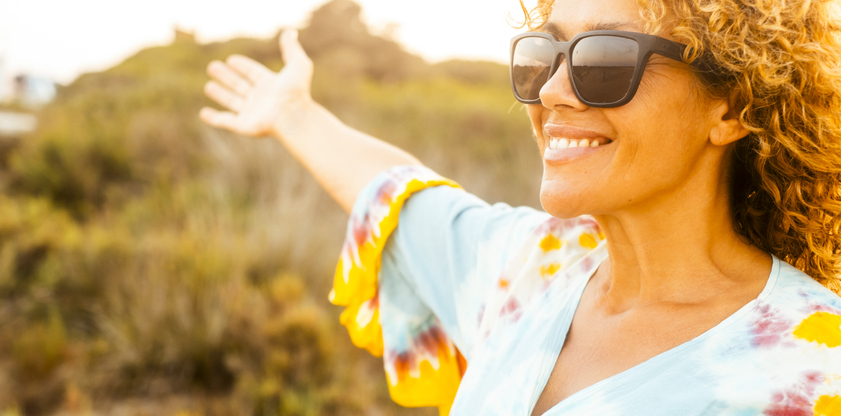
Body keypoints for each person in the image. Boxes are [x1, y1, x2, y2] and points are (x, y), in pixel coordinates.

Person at [199, 0, 841, 414]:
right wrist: (294, 115)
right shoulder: (532, 270)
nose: (554, 91)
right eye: (545, 55)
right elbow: (402, 194)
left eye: (605, 59)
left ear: (731, 106)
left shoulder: (813, 372)